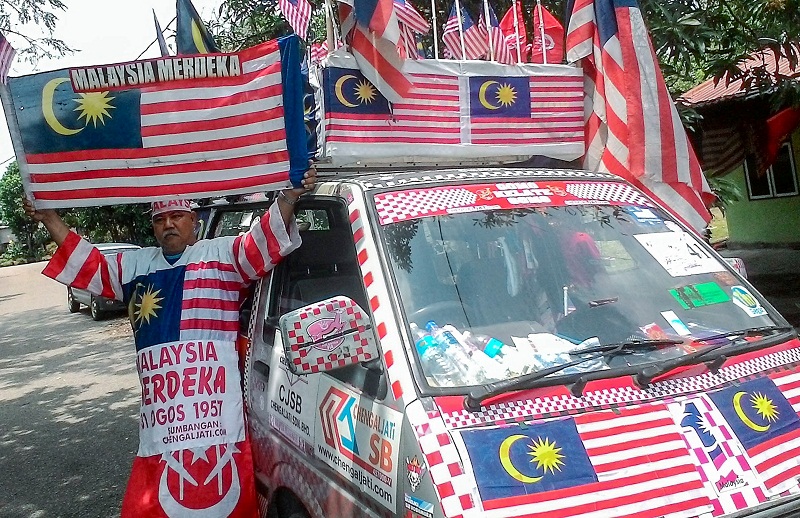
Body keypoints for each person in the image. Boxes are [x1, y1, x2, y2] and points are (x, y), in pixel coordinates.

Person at [22, 167, 316, 518]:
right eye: (160, 219)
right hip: (162, 415)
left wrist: (289, 197)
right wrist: (50, 218)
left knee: (224, 496)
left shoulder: (221, 253)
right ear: (153, 225)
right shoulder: (135, 265)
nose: (169, 225)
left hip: (215, 413)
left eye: (177, 216)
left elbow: (263, 240)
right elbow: (88, 263)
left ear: (193, 220)